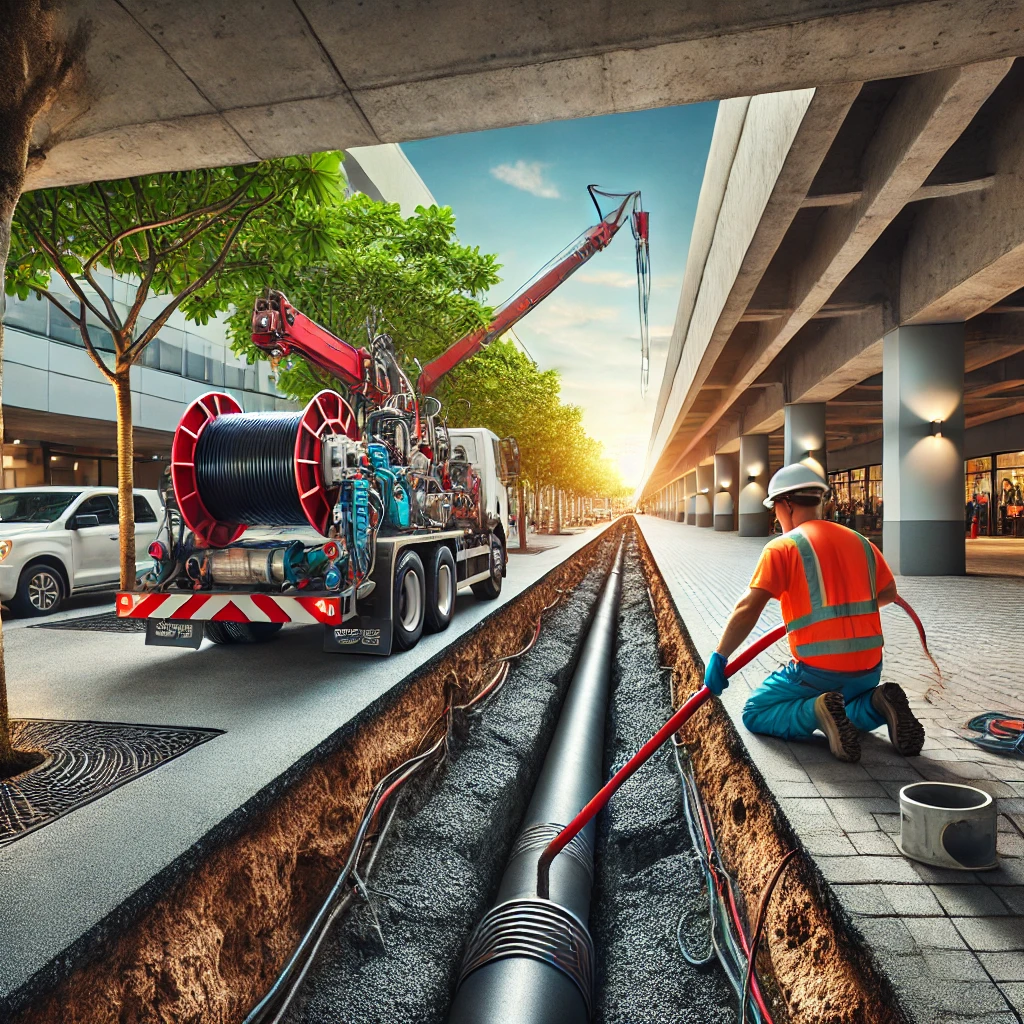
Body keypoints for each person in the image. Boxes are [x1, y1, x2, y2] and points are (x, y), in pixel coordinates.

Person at [704, 463, 925, 763]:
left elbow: (748, 608)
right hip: (869, 666)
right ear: (820, 500)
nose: (776, 517)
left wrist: (720, 655)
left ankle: (816, 711)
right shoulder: (861, 542)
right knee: (844, 709)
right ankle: (876, 704)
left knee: (756, 712)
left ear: (787, 504)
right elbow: (887, 593)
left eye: (775, 510)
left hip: (817, 670)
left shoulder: (782, 547)